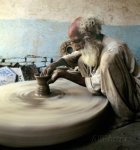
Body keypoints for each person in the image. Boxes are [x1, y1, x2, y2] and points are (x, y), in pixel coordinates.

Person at [42, 17, 140, 128]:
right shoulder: (96, 41)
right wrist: (54, 65)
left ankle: (123, 115)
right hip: (112, 82)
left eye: (76, 41)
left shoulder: (111, 54)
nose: (74, 46)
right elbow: (74, 55)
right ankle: (104, 99)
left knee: (106, 65)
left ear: (88, 37)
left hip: (134, 94)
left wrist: (63, 74)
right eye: (72, 42)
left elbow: (97, 82)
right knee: (80, 59)